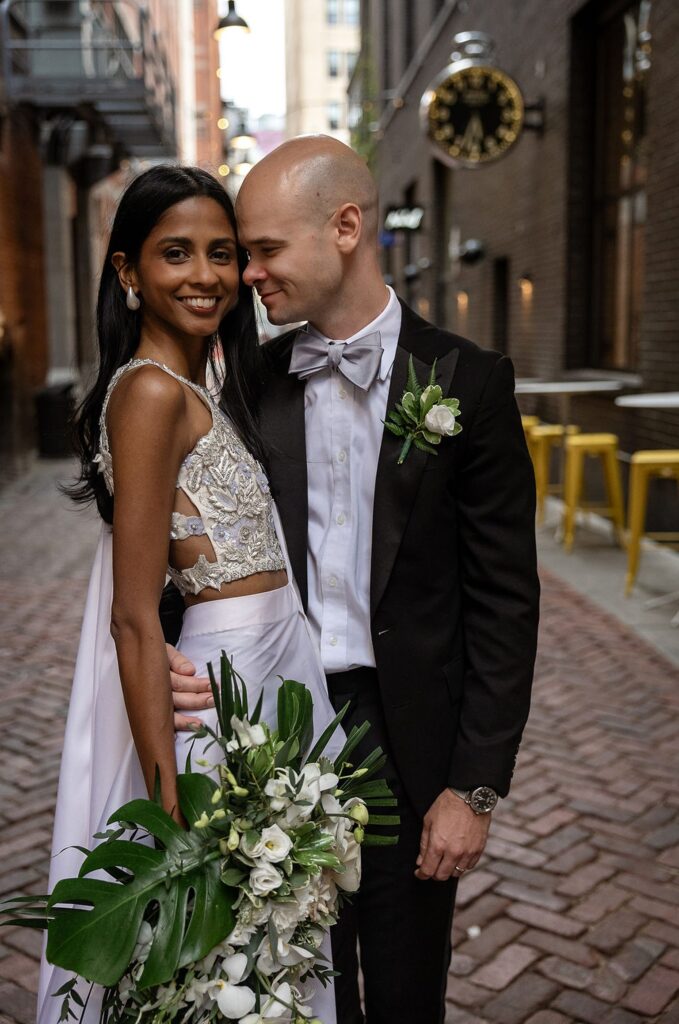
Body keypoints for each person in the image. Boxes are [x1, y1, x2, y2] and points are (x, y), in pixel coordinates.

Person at [165, 136, 540, 1024]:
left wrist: (474, 787)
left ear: (344, 227)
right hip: (272, 721)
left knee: (406, 995)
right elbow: (197, 534)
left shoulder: (469, 384)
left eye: (262, 249)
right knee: (287, 987)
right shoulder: (244, 385)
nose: (246, 274)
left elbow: (503, 601)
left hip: (407, 739)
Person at [37, 165, 342, 1024]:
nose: (206, 275)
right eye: (176, 254)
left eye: (222, 252)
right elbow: (134, 617)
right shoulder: (146, 394)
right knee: (219, 959)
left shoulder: (192, 387)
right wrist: (174, 826)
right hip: (223, 696)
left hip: (269, 678)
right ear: (127, 272)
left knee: (261, 958)